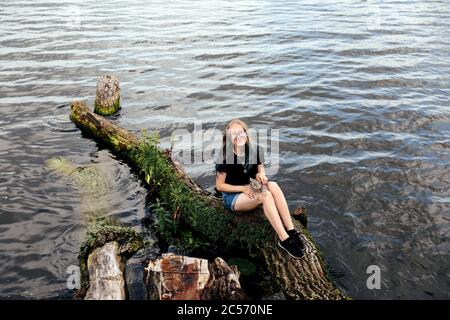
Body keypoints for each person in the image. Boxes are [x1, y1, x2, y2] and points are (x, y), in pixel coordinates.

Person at [215, 119, 305, 259]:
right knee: (265, 195)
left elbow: (260, 170)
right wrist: (243, 188)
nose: (238, 136)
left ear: (245, 133)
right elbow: (220, 186)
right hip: (233, 196)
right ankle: (284, 239)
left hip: (251, 187)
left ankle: (291, 230)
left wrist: (261, 174)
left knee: (273, 185)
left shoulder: (255, 150)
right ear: (228, 137)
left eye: (240, 132)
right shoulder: (224, 157)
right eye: (233, 134)